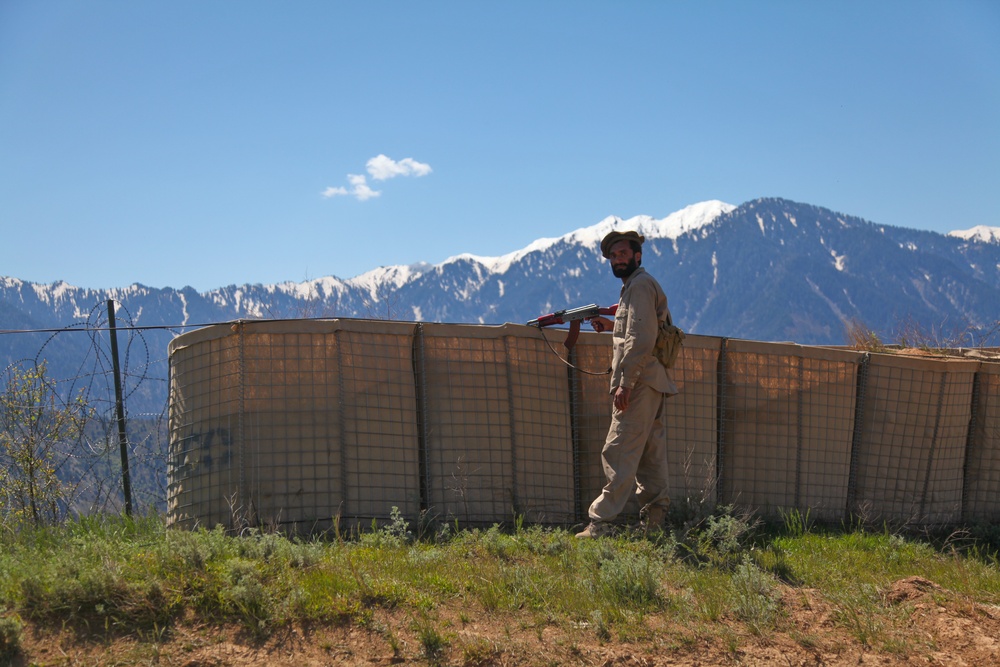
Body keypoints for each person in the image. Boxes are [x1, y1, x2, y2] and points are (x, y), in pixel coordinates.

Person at [576, 230, 678, 538]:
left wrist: (626, 383)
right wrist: (612, 326)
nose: (618, 259)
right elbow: (636, 330)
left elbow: (642, 338)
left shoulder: (639, 286)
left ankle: (600, 523)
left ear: (638, 256)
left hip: (639, 382)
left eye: (623, 253)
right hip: (652, 380)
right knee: (650, 455)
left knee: (618, 450)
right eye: (613, 256)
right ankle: (654, 522)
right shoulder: (636, 287)